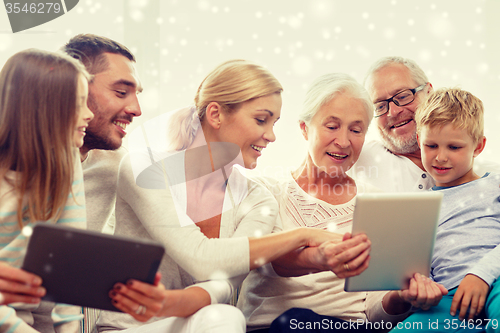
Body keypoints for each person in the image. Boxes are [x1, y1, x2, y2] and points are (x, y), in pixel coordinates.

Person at [96, 61, 372, 333]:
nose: (272, 136)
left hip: (199, 323)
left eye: (274, 123)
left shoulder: (257, 199)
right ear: (215, 115)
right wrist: (303, 235)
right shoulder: (144, 168)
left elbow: (225, 283)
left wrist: (170, 303)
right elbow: (200, 256)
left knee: (223, 315)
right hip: (129, 329)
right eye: (261, 120)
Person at [237, 73, 448, 332]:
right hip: (276, 327)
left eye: (356, 130)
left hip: (351, 328)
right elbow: (266, 259)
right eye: (332, 126)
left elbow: (374, 311)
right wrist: (319, 257)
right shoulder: (265, 191)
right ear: (304, 128)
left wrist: (400, 297)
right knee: (294, 321)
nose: (344, 141)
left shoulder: (377, 205)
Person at [390, 88, 500, 333]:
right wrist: (420, 288)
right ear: (419, 141)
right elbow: (419, 267)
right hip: (450, 298)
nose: (440, 157)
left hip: (497, 279)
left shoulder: (495, 184)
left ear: (478, 146)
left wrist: (481, 274)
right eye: (431, 145)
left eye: (454, 147)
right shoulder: (417, 208)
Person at [0, 49, 93, 332]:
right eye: (78, 104)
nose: (89, 114)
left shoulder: (66, 162)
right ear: (41, 108)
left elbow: (70, 264)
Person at [349, 56, 496, 192]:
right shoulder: (356, 157)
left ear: (429, 92)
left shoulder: (488, 180)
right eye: (380, 106)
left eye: (403, 96)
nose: (392, 112)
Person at [62, 33, 143, 233]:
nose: (136, 109)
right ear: (75, 89)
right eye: (121, 92)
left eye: (137, 94)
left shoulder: (116, 164)